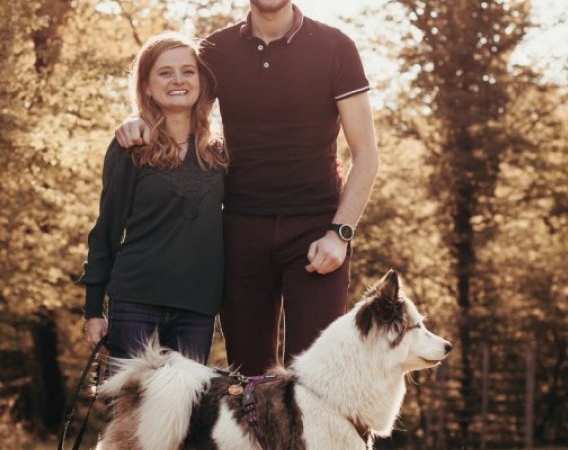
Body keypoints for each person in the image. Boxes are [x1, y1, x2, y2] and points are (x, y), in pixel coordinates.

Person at [114, 0, 379, 375]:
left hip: (318, 231)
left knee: (316, 380)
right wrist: (137, 121)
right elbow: (175, 98)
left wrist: (341, 232)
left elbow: (366, 153)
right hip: (239, 231)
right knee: (248, 382)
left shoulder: (335, 47)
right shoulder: (216, 51)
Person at [80, 32, 228, 364]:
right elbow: (106, 229)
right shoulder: (131, 147)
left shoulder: (220, 153)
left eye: (188, 71)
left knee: (181, 414)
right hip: (135, 302)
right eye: (165, 72)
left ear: (201, 81)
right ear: (146, 86)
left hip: (197, 308)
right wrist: (93, 310)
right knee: (132, 414)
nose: (178, 80)